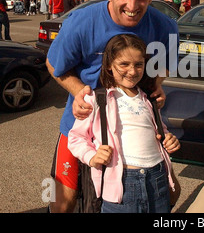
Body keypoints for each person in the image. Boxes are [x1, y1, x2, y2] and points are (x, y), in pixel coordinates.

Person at [46, 0, 179, 213]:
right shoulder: (82, 22)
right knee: (63, 201)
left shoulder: (165, 27)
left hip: (132, 129)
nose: (132, 5)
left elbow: (164, 65)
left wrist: (157, 86)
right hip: (84, 121)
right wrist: (79, 92)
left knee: (166, 194)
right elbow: (54, 64)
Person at [68, 34, 180, 213]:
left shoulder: (149, 99)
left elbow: (159, 130)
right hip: (121, 184)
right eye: (124, 64)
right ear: (110, 66)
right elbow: (76, 137)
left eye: (138, 65)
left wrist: (168, 139)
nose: (132, 71)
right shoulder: (97, 99)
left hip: (157, 178)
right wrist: (92, 156)